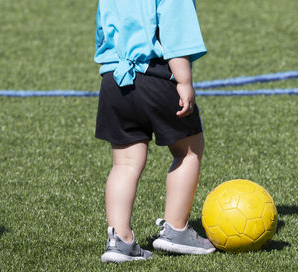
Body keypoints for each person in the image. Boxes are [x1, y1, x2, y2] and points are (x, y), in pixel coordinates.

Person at [94, 0, 216, 263]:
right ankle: (176, 230)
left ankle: (120, 241)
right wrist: (184, 81)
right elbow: (176, 33)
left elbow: (104, 33)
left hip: (114, 81)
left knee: (124, 164)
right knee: (188, 150)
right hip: (157, 76)